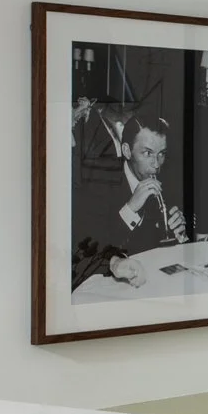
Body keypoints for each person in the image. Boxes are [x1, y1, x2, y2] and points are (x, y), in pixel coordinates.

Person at [72, 112, 186, 288]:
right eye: (147, 153)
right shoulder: (98, 179)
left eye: (161, 154)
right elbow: (87, 248)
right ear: (126, 151)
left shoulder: (167, 180)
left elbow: (159, 249)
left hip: (148, 281)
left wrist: (177, 234)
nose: (156, 164)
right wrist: (130, 209)